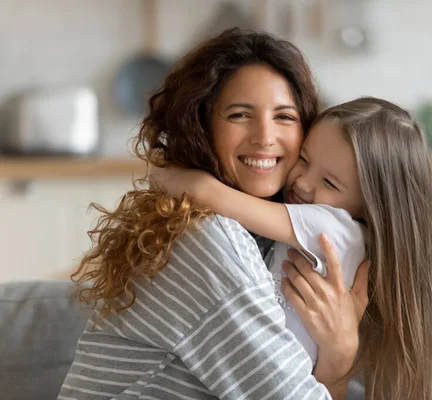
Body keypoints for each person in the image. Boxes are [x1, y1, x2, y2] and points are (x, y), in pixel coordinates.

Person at [59, 28, 368, 400]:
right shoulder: (208, 241)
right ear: (202, 127)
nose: (265, 137)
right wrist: (338, 356)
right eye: (240, 115)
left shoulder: (267, 239)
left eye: (284, 117)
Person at [150, 97, 432, 399]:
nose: (302, 182)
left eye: (329, 182)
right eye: (303, 159)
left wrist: (158, 173)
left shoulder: (333, 228)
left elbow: (206, 193)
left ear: (371, 206)